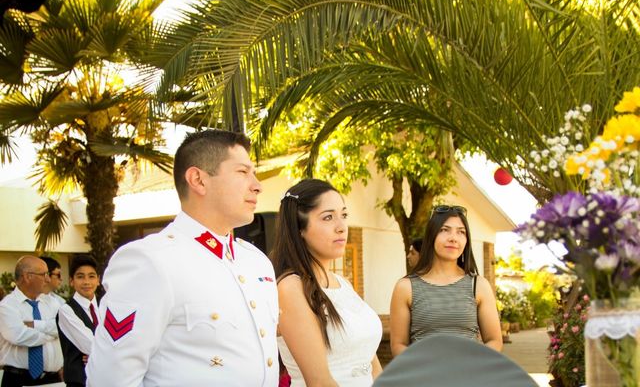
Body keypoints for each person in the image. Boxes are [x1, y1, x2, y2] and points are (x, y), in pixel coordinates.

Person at [86, 129, 278, 386]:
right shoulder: (151, 261)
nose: (257, 185)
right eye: (243, 172)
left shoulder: (256, 261)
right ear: (198, 180)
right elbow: (110, 380)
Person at [272, 179, 383, 387]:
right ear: (300, 229)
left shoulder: (344, 284)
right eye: (328, 217)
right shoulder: (290, 288)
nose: (341, 227)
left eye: (344, 215)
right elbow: (319, 381)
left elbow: (370, 361)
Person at [389, 205, 502, 358]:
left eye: (461, 232)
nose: (453, 238)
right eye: (444, 230)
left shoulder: (479, 285)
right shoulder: (405, 287)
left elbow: (494, 341)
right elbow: (398, 345)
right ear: (431, 236)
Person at [0, 255, 63, 386]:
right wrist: (52, 334)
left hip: (52, 380)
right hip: (18, 379)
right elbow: (19, 336)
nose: (48, 279)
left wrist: (36, 325)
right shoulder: (7, 306)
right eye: (44, 274)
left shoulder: (52, 303)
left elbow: (64, 326)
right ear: (28, 276)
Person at [57, 254, 101, 387]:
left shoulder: (105, 307)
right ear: (71, 281)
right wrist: (104, 353)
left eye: (91, 276)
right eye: (80, 277)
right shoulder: (66, 310)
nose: (87, 282)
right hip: (79, 382)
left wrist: (98, 356)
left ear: (98, 280)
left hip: (103, 379)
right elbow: (89, 345)